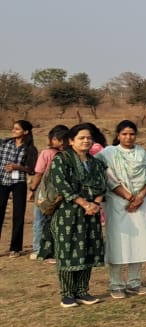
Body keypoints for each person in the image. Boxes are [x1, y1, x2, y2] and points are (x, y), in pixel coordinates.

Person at [45, 123, 109, 307]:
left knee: (87, 250)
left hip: (91, 214)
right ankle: (67, 293)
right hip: (68, 212)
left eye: (89, 138)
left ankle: (82, 291)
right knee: (67, 251)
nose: (86, 141)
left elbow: (102, 184)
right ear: (71, 141)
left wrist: (95, 203)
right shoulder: (62, 159)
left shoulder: (96, 163)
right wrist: (84, 203)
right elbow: (62, 184)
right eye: (81, 138)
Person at [97, 120, 146, 297]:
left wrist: (139, 197)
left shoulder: (142, 153)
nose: (128, 137)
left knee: (139, 243)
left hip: (141, 204)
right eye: (124, 134)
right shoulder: (107, 153)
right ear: (118, 135)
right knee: (118, 243)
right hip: (117, 204)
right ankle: (116, 284)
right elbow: (107, 177)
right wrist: (129, 197)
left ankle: (134, 283)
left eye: (132, 134)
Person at [28, 124, 68, 262]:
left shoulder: (46, 153)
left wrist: (32, 189)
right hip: (62, 192)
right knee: (57, 222)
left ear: (58, 140)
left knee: (39, 220)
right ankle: (55, 249)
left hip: (45, 192)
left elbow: (39, 174)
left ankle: (38, 249)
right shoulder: (70, 154)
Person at [1, 119, 37, 255]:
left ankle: (15, 248)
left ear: (25, 132)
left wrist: (18, 167)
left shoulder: (30, 149)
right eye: (13, 128)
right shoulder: (5, 143)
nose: (13, 131)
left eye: (17, 129)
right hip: (2, 181)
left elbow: (32, 169)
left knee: (18, 215)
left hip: (19, 183)